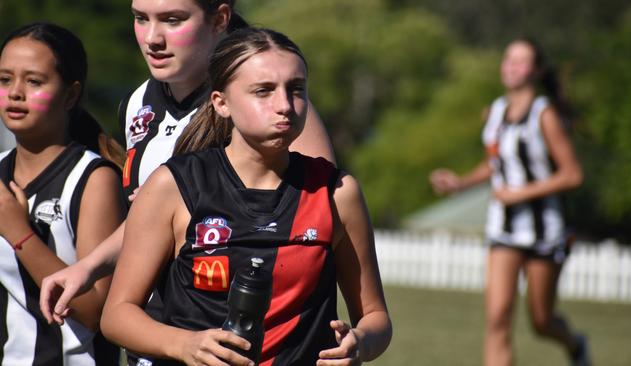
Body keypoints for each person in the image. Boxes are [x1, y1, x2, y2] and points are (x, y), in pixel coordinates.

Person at [100, 27, 391, 366]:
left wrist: (360, 342)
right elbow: (117, 316)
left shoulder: (336, 192)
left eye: (296, 90)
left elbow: (375, 318)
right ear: (221, 103)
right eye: (263, 91)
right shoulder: (174, 185)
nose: (284, 105)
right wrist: (184, 345)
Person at [40, 0, 335, 327]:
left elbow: (316, 219)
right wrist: (88, 267)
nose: (152, 37)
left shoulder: (269, 108)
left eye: (172, 20)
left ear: (220, 18)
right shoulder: (138, 102)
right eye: (141, 18)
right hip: (156, 330)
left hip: (239, 335)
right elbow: (148, 224)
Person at [429, 38, 591, 366]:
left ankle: (575, 345)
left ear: (536, 70)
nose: (511, 66)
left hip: (545, 231)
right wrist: (460, 182)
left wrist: (520, 193)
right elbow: (496, 163)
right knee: (498, 319)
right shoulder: (496, 111)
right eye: (508, 58)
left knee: (541, 321)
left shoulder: (543, 114)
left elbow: (573, 175)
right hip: (503, 229)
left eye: (521, 60)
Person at [0, 22, 127, 365]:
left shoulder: (94, 178)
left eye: (34, 81)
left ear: (71, 95)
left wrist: (19, 233)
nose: (15, 92)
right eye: (5, 79)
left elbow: (96, 313)